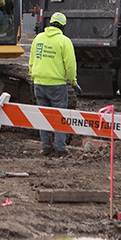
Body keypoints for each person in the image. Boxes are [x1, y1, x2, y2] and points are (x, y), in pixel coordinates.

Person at [29, 12, 82, 157]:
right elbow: (70, 66)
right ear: (63, 26)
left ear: (50, 23)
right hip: (56, 85)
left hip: (39, 83)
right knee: (60, 117)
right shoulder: (64, 41)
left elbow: (32, 61)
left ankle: (46, 147)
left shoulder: (38, 38)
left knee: (43, 116)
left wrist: (33, 77)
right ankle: (60, 148)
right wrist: (73, 82)